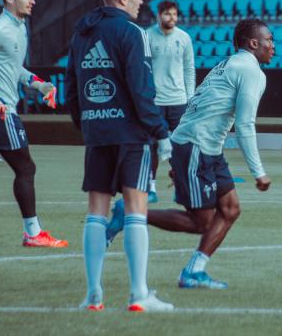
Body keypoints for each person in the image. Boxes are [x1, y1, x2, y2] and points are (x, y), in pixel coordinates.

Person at [107, 18, 273, 289]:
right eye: (268, 40)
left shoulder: (227, 64)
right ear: (254, 43)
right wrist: (258, 172)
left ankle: (194, 271)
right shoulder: (251, 70)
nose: (272, 46)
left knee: (230, 209)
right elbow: (244, 124)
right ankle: (130, 212)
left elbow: (196, 105)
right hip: (198, 146)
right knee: (201, 222)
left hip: (203, 147)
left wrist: (177, 152)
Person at [65, 0, 173, 312]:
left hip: (97, 132)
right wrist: (161, 132)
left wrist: (87, 123)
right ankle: (139, 294)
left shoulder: (82, 33)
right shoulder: (132, 32)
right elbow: (142, 90)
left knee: (95, 212)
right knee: (136, 210)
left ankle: (93, 294)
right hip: (130, 135)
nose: (142, 1)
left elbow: (72, 88)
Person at [0, 0, 66, 248]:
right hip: (0, 112)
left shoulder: (19, 29)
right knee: (25, 167)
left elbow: (15, 69)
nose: (33, 0)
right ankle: (32, 233)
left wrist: (40, 84)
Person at [146, 0, 195, 203]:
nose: (171, 18)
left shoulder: (184, 38)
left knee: (180, 145)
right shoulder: (147, 36)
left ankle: (180, 187)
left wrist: (190, 97)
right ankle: (151, 188)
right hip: (154, 102)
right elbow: (142, 68)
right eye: (167, 14)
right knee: (151, 145)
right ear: (158, 16)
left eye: (174, 14)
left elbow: (189, 69)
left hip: (178, 101)